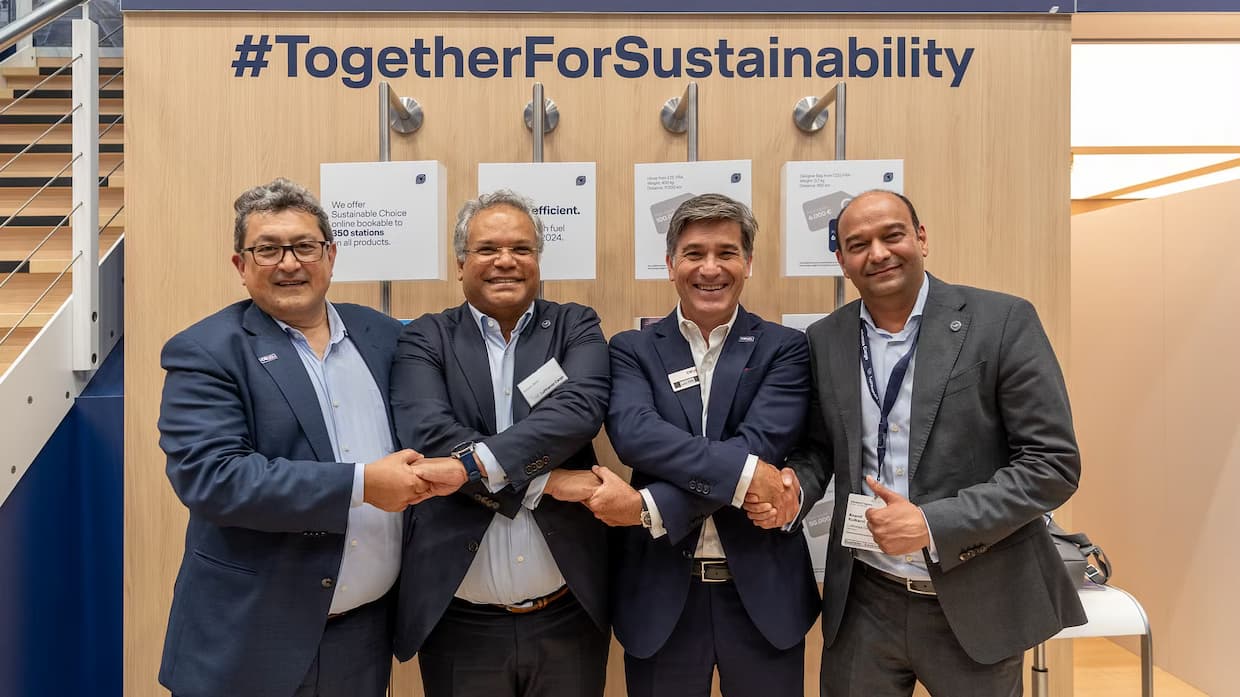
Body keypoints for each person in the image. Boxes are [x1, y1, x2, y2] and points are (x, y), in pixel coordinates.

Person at [157, 178, 461, 697]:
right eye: (268, 249)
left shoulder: (385, 336)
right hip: (251, 639)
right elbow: (214, 478)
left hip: (364, 635)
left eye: (304, 246)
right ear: (241, 265)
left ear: (330, 255)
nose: (289, 263)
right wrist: (362, 484)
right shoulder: (206, 351)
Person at [780, 189, 1086, 697]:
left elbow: (1051, 464)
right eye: (858, 244)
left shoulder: (1002, 321)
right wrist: (794, 487)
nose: (878, 253)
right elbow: (819, 447)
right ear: (842, 261)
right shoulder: (825, 338)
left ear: (921, 238)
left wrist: (930, 524)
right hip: (864, 603)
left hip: (977, 599)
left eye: (892, 235)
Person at [588, 193, 820, 697]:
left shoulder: (785, 348)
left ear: (748, 263)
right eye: (694, 253)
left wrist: (649, 507)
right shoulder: (631, 349)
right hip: (660, 599)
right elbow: (636, 436)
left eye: (726, 252)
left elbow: (763, 442)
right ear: (671, 264)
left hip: (764, 598)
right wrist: (745, 474)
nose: (710, 268)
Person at [389, 190, 611, 697]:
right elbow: (430, 434)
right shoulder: (425, 337)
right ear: (460, 263)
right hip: (460, 622)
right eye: (488, 248)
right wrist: (548, 483)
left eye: (521, 249)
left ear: (537, 259)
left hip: (567, 615)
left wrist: (473, 465)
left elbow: (578, 412)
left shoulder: (575, 325)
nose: (505, 261)